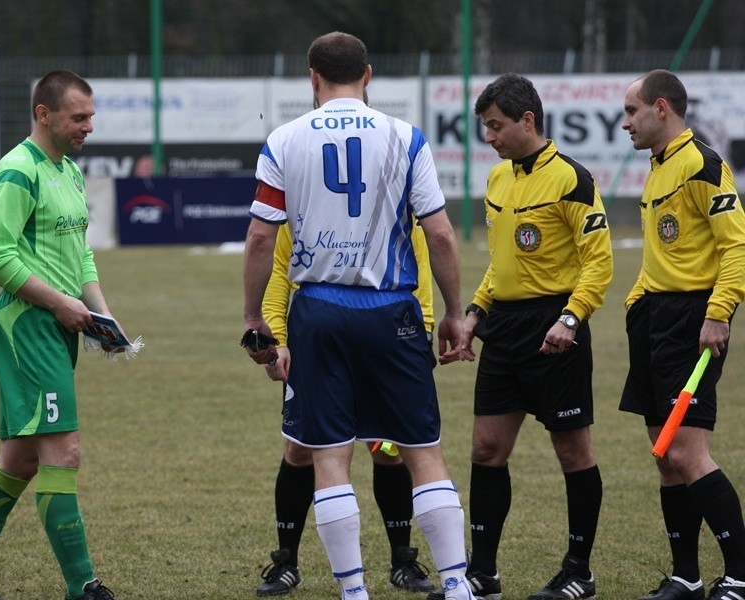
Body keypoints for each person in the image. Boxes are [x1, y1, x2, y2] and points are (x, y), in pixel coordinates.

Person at [242, 31, 475, 600]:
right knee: (422, 451)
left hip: (318, 309)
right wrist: (453, 313)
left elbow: (258, 238)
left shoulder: (283, 140)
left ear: (312, 77)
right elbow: (440, 234)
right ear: (368, 75)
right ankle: (456, 585)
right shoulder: (406, 137)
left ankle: (354, 591)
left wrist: (253, 314)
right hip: (392, 311)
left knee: (329, 456)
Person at [0, 70, 118, 600]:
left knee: (19, 460)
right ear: (44, 114)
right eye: (79, 117)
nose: (89, 126)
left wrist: (103, 316)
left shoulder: (68, 171)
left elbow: (81, 254)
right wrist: (62, 304)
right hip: (27, 328)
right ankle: (82, 587)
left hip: (58, 325)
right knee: (62, 453)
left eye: (90, 115)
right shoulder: (17, 172)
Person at [447, 73, 613, 600]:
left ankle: (579, 572)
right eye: (484, 128)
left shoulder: (572, 179)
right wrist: (474, 313)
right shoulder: (499, 181)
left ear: (528, 120)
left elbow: (598, 263)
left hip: (555, 326)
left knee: (572, 452)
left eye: (496, 126)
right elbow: (502, 264)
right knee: (486, 449)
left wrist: (571, 318)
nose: (489, 138)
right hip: (505, 328)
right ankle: (483, 574)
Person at [256, 220, 437, 596]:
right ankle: (286, 561)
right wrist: (276, 338)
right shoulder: (300, 207)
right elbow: (278, 274)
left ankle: (402, 560)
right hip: (318, 340)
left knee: (388, 449)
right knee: (301, 449)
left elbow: (418, 269)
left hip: (384, 339)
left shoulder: (395, 201)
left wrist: (425, 332)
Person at [619, 69, 745, 600]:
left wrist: (718, 313)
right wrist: (638, 299)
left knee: (688, 454)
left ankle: (739, 575)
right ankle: (686, 576)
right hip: (654, 317)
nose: (625, 122)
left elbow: (736, 247)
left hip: (694, 320)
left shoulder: (703, 164)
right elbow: (667, 250)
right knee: (665, 453)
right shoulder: (658, 165)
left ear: (662, 108)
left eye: (632, 111)